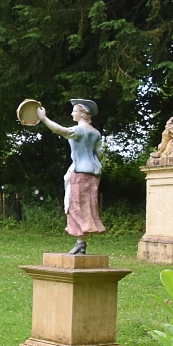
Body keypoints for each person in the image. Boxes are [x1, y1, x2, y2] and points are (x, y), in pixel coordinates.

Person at [36, 100, 105, 255]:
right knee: (86, 206)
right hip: (93, 173)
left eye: (74, 111)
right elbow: (99, 154)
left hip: (80, 172)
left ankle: (81, 243)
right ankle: (81, 243)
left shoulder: (79, 130)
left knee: (75, 206)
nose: (72, 113)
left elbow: (61, 130)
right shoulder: (95, 133)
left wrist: (44, 118)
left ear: (82, 113)